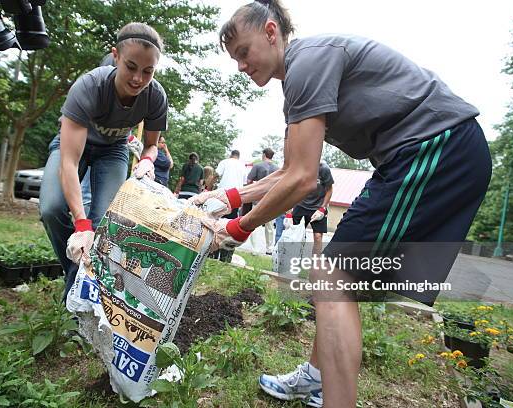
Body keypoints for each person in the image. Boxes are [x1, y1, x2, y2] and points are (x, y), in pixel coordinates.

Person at [189, 1, 491, 407]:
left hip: (435, 147)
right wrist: (227, 199)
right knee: (336, 277)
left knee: (332, 276)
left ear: (271, 32)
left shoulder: (308, 62)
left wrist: (238, 229)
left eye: (244, 52)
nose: (241, 65)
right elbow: (289, 170)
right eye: (235, 59)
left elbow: (302, 181)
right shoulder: (299, 79)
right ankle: (316, 377)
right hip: (411, 155)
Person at [39, 22, 168, 300]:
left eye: (148, 71)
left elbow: (150, 146)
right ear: (116, 56)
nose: (138, 79)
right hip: (74, 148)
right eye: (131, 67)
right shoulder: (90, 85)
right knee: (51, 208)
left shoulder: (155, 96)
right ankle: (74, 272)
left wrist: (147, 160)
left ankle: (78, 295)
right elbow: (70, 163)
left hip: (113, 151)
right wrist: (80, 224)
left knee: (103, 224)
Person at [291, 162, 333, 255]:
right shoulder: (301, 166)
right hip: (301, 204)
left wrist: (322, 208)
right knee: (295, 234)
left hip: (318, 207)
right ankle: (294, 258)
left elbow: (329, 190)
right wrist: (289, 210)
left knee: (318, 236)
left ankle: (315, 265)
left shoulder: (324, 169)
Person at [214, 149, 246, 262]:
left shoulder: (225, 162)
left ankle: (213, 252)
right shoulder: (242, 166)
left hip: (223, 196)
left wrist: (210, 187)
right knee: (231, 226)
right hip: (236, 197)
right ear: (238, 156)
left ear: (230, 155)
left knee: (216, 223)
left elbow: (216, 175)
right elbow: (245, 182)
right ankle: (226, 256)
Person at [246, 148, 279, 254]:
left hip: (258, 199)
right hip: (272, 200)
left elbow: (249, 180)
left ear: (264, 155)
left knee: (254, 224)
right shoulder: (277, 169)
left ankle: (255, 249)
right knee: (269, 227)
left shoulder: (258, 166)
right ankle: (269, 249)